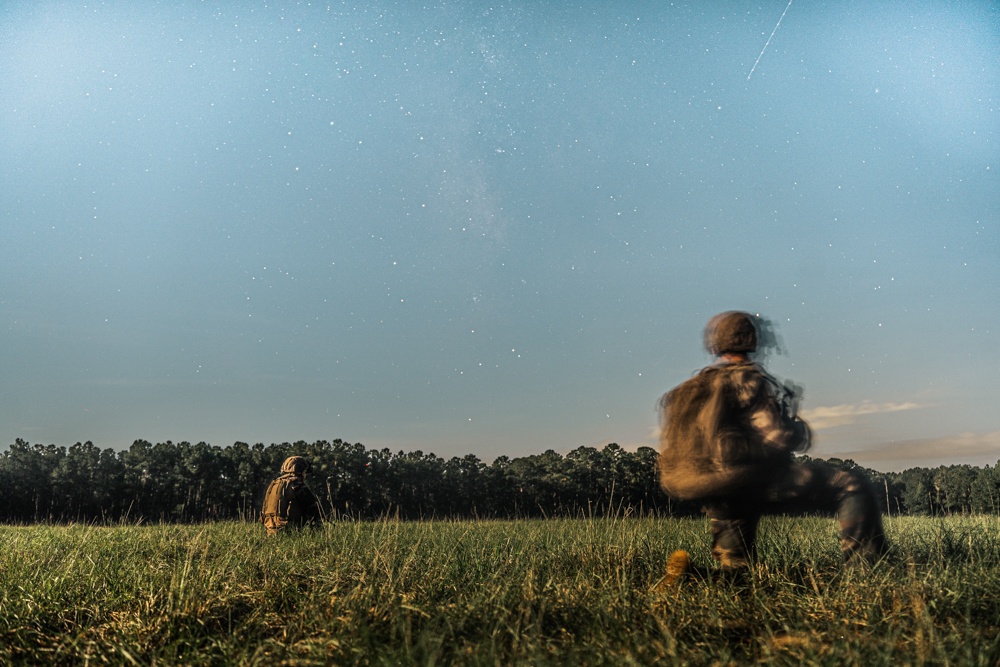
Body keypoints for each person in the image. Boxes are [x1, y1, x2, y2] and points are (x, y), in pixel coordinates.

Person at [657, 311, 888, 582]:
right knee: (851, 484)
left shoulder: (698, 386)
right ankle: (866, 577)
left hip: (715, 492)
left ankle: (689, 578)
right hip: (752, 482)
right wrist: (798, 428)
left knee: (738, 572)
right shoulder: (748, 379)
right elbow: (778, 437)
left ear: (716, 344)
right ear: (751, 340)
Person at [260, 455, 323, 535]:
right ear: (300, 471)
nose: (306, 475)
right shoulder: (297, 485)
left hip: (270, 529)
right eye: (305, 472)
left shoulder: (274, 484)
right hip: (289, 531)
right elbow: (313, 509)